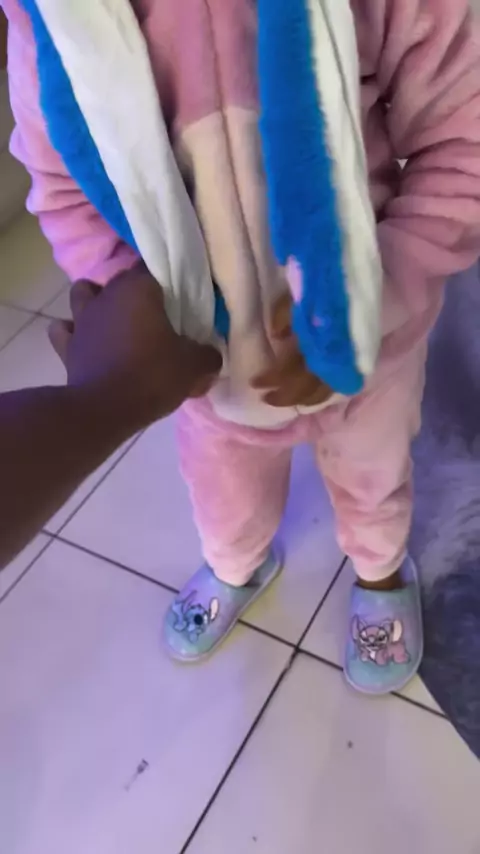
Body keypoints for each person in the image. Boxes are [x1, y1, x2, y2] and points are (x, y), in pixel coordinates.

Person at [3, 0, 480, 694]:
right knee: (221, 491)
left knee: (376, 477)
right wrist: (143, 319)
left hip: (372, 351)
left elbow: (461, 140)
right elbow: (66, 192)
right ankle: (236, 565)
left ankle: (380, 571)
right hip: (205, 373)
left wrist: (375, 296)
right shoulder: (52, 20)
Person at [0, 266, 221, 571]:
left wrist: (105, 394)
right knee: (225, 499)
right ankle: (234, 569)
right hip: (214, 395)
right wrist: (108, 393)